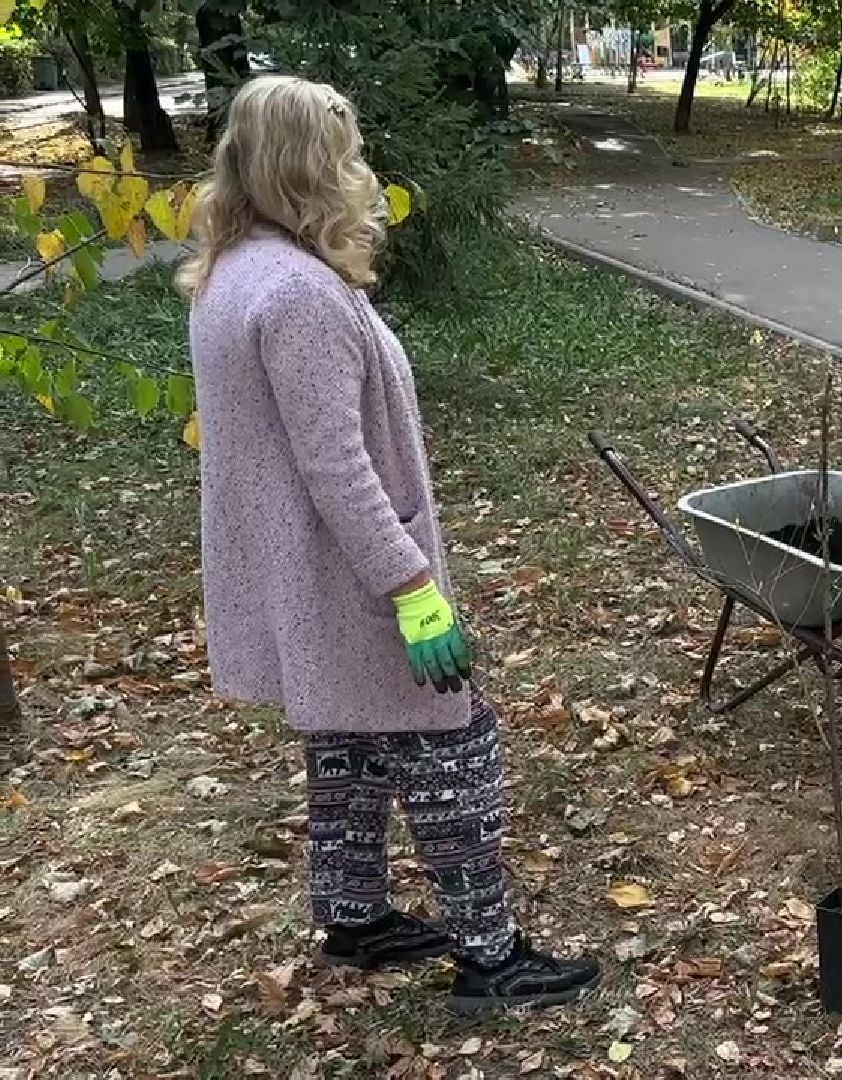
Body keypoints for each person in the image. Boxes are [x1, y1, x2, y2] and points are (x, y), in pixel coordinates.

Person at [180, 75, 600, 1014]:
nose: (354, 168)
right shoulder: (294, 293)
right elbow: (338, 468)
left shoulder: (233, 271)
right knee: (453, 739)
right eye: (340, 151)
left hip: (298, 570)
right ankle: (491, 959)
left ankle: (354, 914)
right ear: (305, 166)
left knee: (349, 737)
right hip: (345, 574)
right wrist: (412, 590)